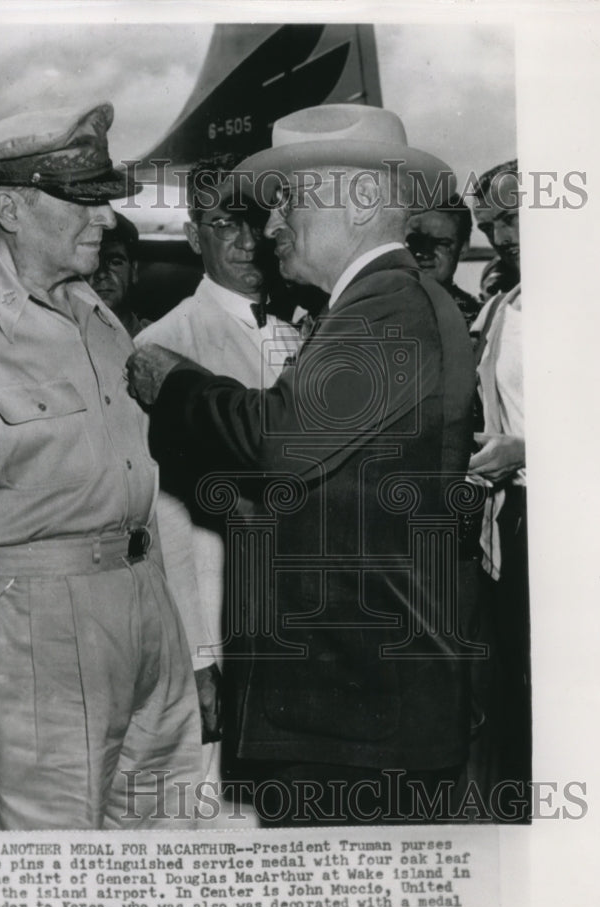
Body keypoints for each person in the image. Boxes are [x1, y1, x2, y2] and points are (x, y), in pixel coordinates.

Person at [127, 104, 478, 825]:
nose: (272, 225)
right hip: (360, 697)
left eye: (289, 200)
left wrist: (175, 384)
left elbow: (279, 439)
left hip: (360, 707)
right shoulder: (390, 301)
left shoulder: (386, 308)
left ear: (356, 203)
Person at [0, 103, 203, 831]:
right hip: (28, 643)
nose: (104, 222)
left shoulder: (97, 316)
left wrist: (184, 649)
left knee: (166, 860)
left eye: (105, 201)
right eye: (81, 201)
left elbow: (137, 488)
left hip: (146, 617)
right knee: (45, 882)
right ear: (12, 207)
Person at [136, 155, 300, 815]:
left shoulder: (296, 335)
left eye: (258, 223)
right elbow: (163, 515)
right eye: (224, 224)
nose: (246, 241)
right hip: (216, 621)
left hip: (289, 621)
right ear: (191, 233)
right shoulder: (166, 345)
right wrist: (198, 657)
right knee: (218, 812)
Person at [468, 159, 530, 812]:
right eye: (493, 224)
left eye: (514, 219)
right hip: (513, 520)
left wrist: (528, 449)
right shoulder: (503, 307)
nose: (503, 236)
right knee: (517, 685)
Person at [405, 195, 481, 329]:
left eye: (439, 243)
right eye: (415, 242)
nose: (424, 254)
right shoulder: (377, 306)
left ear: (463, 246)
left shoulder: (482, 320)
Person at [90, 211, 149, 336]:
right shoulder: (63, 342)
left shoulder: (158, 338)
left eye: (114, 262)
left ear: (134, 271)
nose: (101, 274)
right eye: (92, 264)